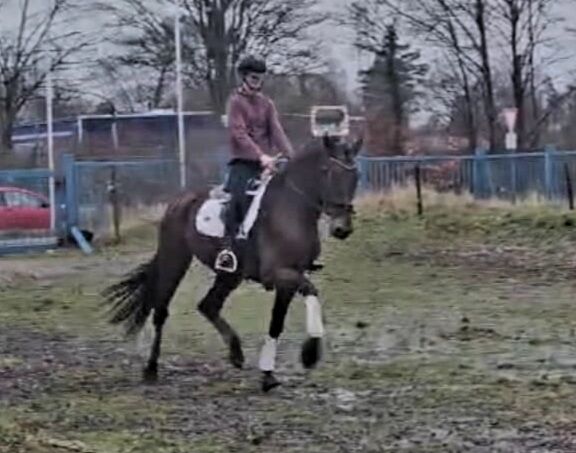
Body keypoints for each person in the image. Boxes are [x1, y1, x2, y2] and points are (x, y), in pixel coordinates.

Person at [215, 55, 295, 273]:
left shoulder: (267, 104)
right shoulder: (235, 102)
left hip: (266, 164)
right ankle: (227, 250)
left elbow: (277, 132)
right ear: (244, 77)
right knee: (238, 200)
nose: (257, 81)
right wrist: (261, 156)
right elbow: (239, 134)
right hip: (243, 163)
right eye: (253, 77)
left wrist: (291, 156)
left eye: (260, 77)